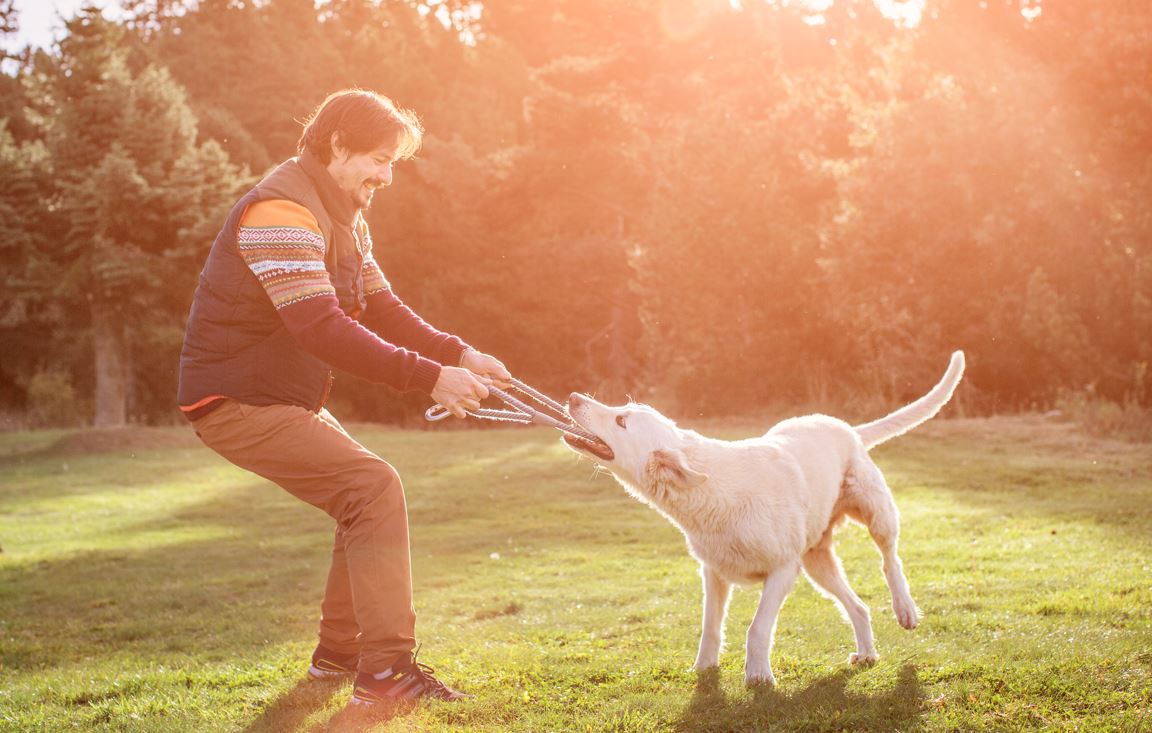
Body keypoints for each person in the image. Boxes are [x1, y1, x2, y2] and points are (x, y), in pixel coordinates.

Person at [177, 89, 510, 708]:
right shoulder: (280, 211)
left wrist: (459, 354)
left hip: (278, 398)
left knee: (361, 495)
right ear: (336, 145)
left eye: (392, 163)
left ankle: (338, 655)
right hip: (234, 401)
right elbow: (321, 326)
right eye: (379, 159)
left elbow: (383, 306)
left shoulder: (346, 218)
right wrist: (430, 378)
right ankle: (386, 672)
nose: (386, 176)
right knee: (372, 486)